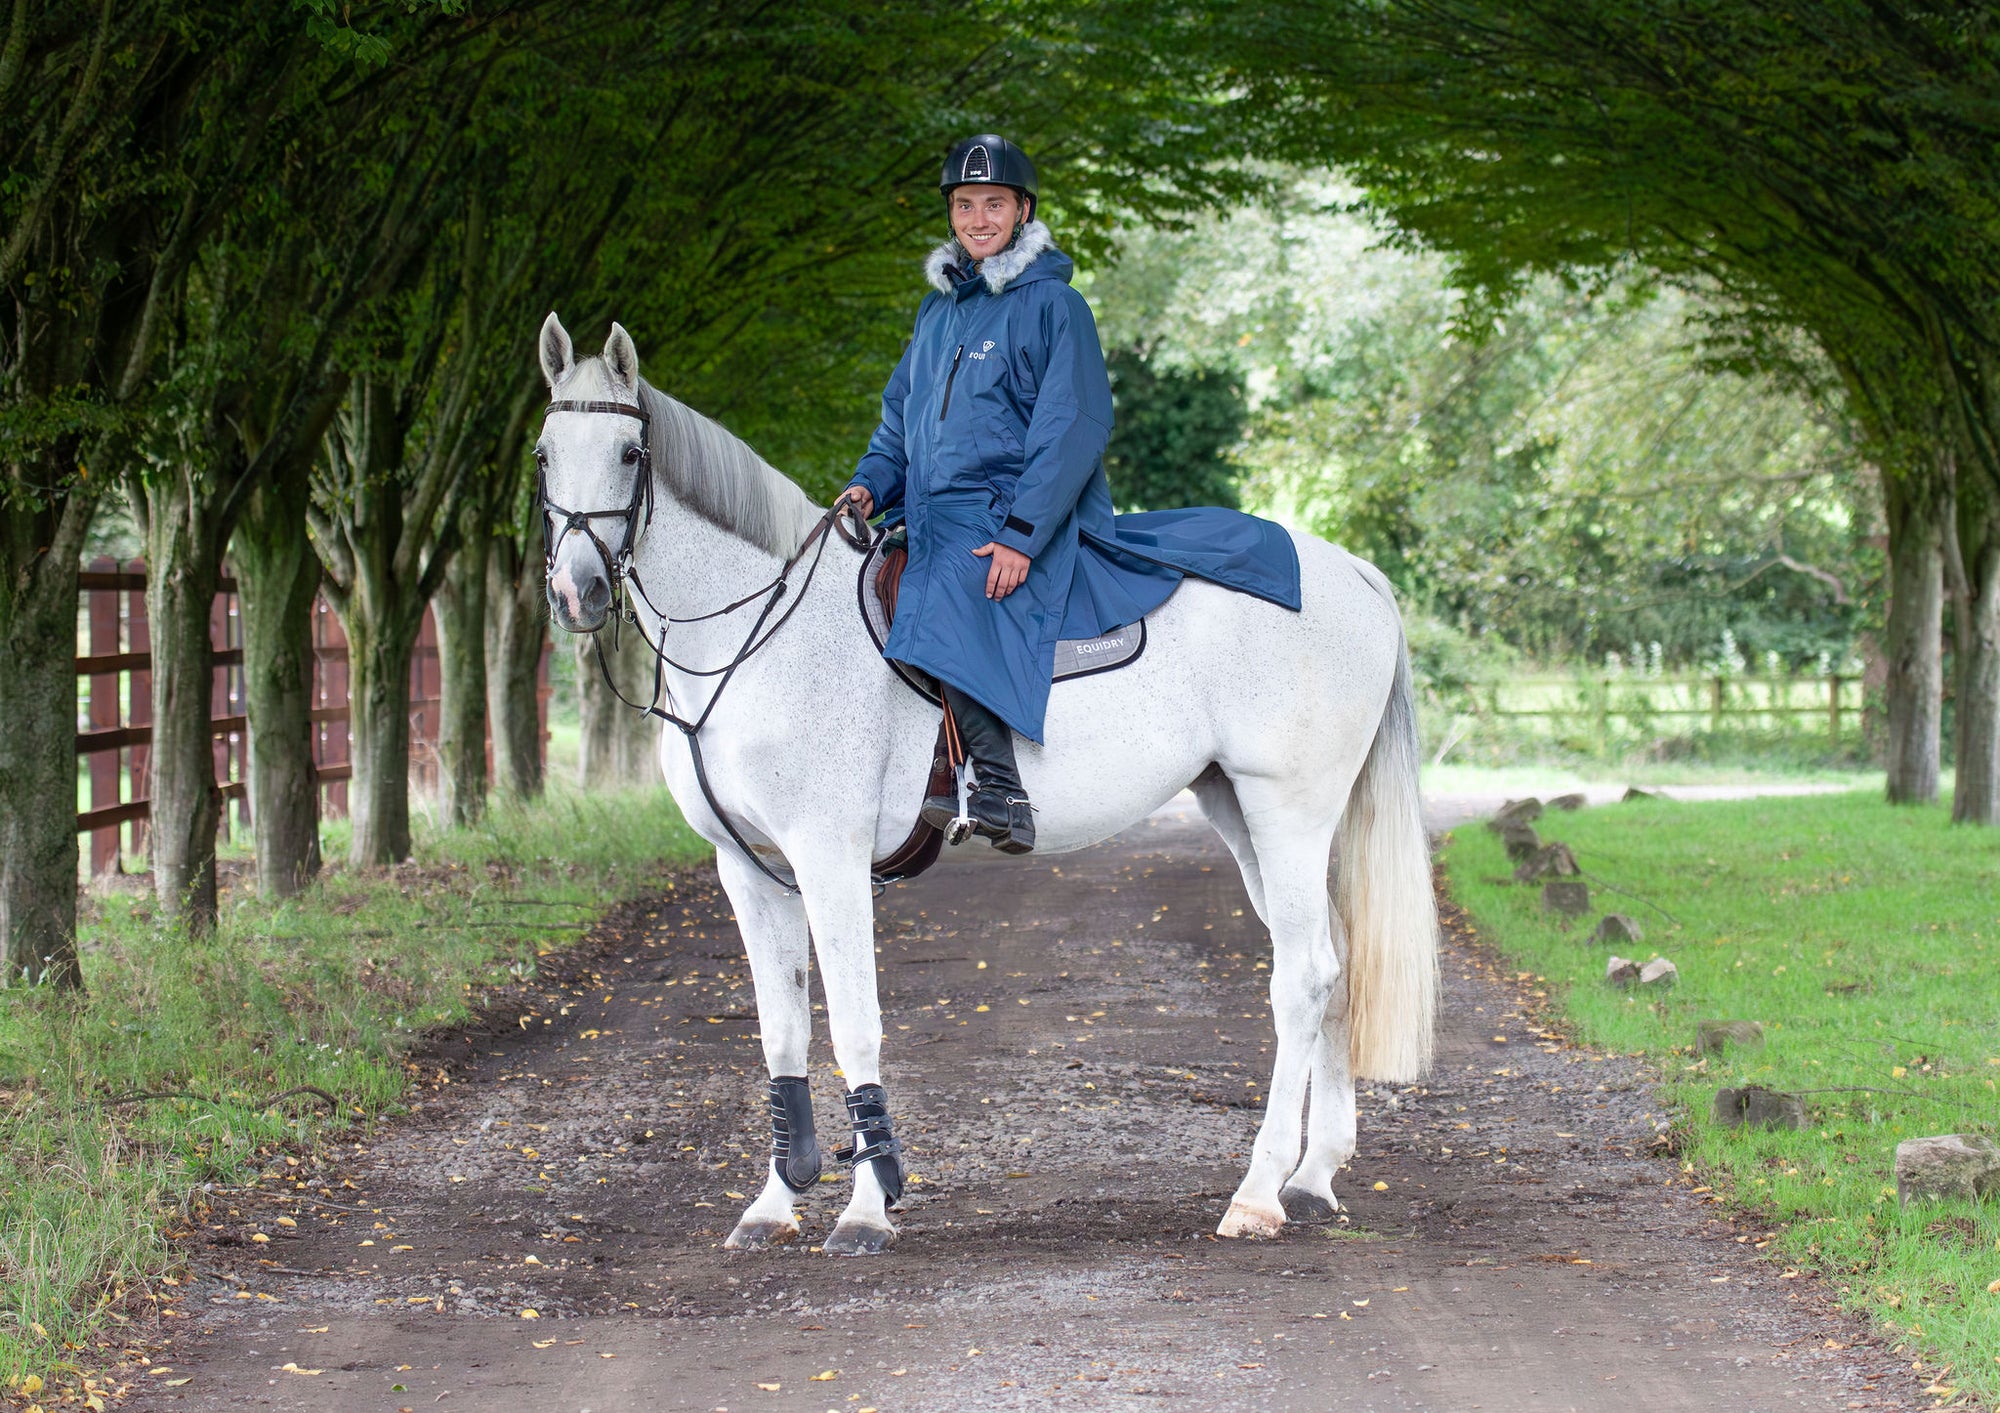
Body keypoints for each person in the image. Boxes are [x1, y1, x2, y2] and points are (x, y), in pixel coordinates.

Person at [843, 135, 1303, 855]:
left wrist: (1024, 534)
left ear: (1023, 210)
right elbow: (898, 422)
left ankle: (999, 787)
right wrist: (869, 485)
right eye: (965, 205)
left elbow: (1072, 426)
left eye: (993, 203)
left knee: (949, 589)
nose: (978, 218)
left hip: (1016, 514)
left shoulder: (1056, 306)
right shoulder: (937, 316)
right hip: (930, 514)